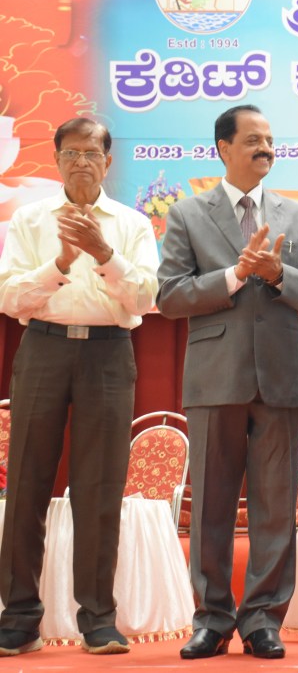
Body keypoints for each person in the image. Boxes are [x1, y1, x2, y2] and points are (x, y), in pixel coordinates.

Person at [156, 104, 298, 660]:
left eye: (270, 139)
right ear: (224, 149)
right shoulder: (187, 214)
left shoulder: (297, 216)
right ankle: (211, 619)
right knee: (210, 505)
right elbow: (170, 297)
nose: (265, 148)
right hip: (215, 377)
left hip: (280, 378)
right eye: (253, 139)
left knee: (276, 508)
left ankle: (263, 620)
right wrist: (235, 275)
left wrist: (278, 274)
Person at [0, 117, 159, 657]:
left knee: (100, 486)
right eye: (71, 153)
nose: (81, 162)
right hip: (43, 348)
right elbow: (11, 298)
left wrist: (104, 253)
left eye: (92, 153)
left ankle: (99, 620)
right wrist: (62, 263)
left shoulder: (132, 223)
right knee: (26, 482)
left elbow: (144, 299)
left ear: (108, 162)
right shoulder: (30, 219)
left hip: (108, 352)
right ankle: (19, 618)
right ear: (56, 159)